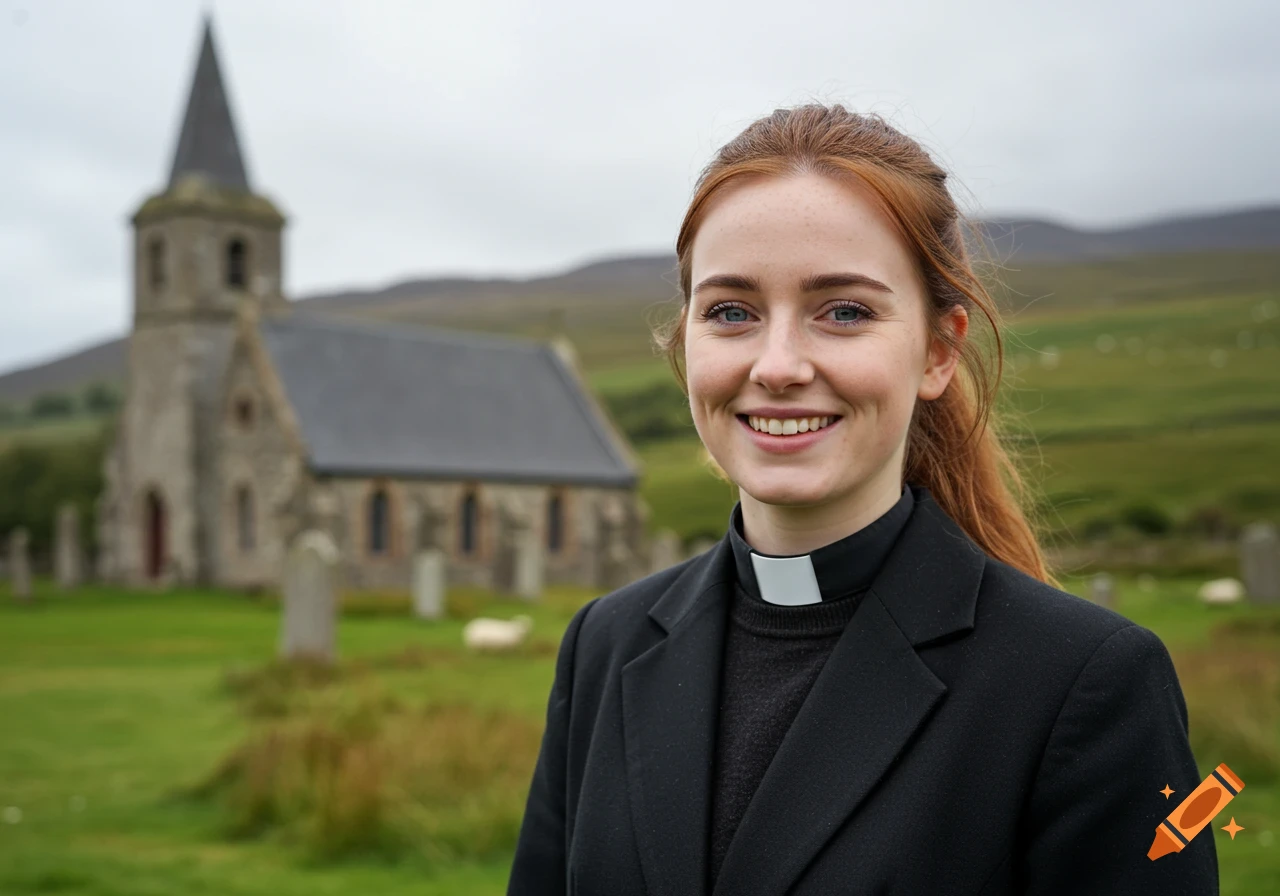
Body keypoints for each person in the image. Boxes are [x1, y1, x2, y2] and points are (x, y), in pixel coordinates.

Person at [507, 104, 1218, 896]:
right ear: (686, 342)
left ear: (939, 352)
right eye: (731, 312)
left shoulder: (1085, 683)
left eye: (844, 311)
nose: (777, 365)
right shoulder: (607, 644)